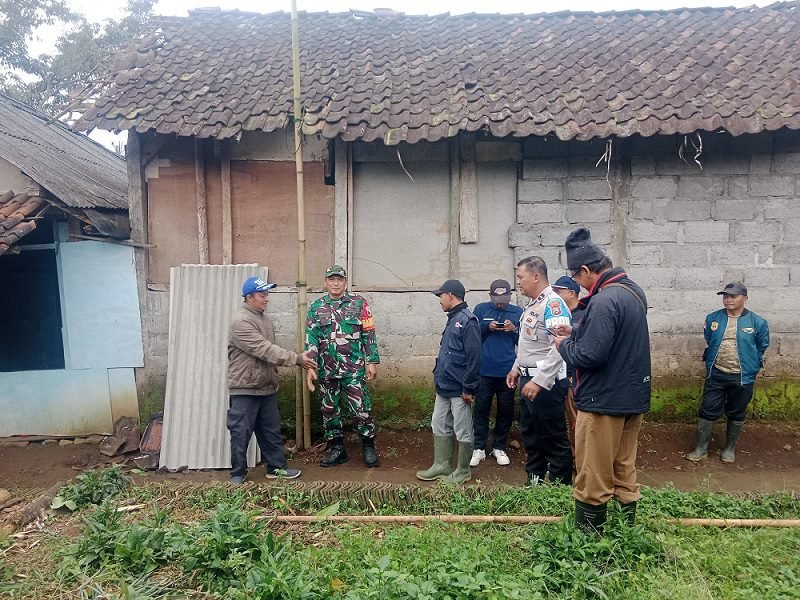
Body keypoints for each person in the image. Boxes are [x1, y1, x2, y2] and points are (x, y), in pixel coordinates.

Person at [553, 228, 651, 532]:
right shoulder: (632, 291)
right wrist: (578, 332)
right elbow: (614, 339)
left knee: (592, 474)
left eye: (576, 278)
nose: (578, 285)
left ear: (585, 270)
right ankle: (625, 535)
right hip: (631, 397)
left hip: (602, 402)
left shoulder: (604, 300)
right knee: (623, 468)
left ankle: (588, 542)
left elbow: (589, 356)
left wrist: (563, 345)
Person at [227, 276, 315, 484]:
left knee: (271, 431)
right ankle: (237, 474)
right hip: (245, 387)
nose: (266, 299)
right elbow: (264, 350)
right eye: (262, 295)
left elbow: (269, 356)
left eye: (267, 294)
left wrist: (273, 377)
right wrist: (298, 359)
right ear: (249, 297)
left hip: (265, 387)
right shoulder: (241, 321)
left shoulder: (264, 320)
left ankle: (276, 468)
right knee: (241, 432)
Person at [506, 257, 573, 487]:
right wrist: (517, 368)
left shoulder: (553, 305)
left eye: (520, 277)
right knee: (532, 436)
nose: (518, 282)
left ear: (536, 276)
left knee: (553, 438)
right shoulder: (533, 305)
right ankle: (534, 485)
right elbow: (529, 345)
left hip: (547, 382)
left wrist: (541, 380)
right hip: (529, 378)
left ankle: (559, 491)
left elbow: (559, 347)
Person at [305, 265, 381, 468]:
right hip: (326, 370)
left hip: (353, 368)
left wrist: (371, 360)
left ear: (345, 282)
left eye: (339, 279)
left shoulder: (359, 304)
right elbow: (310, 339)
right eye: (332, 279)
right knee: (329, 410)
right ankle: (337, 448)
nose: (336, 283)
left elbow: (369, 332)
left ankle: (368, 445)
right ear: (325, 282)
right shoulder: (316, 307)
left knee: (361, 409)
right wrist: (311, 366)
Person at [686, 282, 770, 464]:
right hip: (716, 373)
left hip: (742, 376)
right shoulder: (713, 319)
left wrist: (752, 363)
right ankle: (701, 448)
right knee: (707, 410)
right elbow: (709, 339)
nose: (728, 299)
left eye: (733, 296)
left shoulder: (758, 322)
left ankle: (729, 448)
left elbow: (762, 345)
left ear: (745, 299)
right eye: (725, 296)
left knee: (737, 411)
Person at [416, 279, 482, 484]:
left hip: (459, 388)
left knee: (462, 428)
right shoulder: (452, 318)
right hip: (444, 385)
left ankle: (462, 471)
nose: (439, 300)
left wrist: (469, 387)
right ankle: (441, 465)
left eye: (440, 296)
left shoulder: (467, 320)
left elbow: (474, 358)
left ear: (450, 296)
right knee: (439, 423)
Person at [470, 279, 524, 467]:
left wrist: (514, 329)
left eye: (504, 298)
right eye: (497, 298)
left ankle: (499, 446)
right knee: (481, 409)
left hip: (507, 371)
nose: (501, 302)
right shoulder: (481, 310)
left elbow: (524, 342)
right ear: (490, 296)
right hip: (484, 370)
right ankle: (479, 447)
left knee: (506, 410)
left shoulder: (518, 312)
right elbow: (474, 337)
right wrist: (487, 327)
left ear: (510, 296)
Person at [551, 275, 583, 464]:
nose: (555, 295)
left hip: (574, 380)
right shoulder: (560, 315)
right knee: (562, 423)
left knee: (577, 424)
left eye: (559, 292)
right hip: (558, 378)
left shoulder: (583, 316)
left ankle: (580, 463)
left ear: (572, 293)